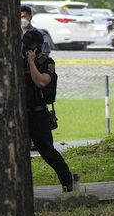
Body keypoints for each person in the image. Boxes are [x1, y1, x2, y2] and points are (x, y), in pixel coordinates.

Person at [23, 29, 76, 192]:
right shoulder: (18, 60)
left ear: (38, 47)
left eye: (30, 47)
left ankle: (67, 180)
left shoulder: (47, 62)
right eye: (25, 46)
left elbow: (41, 82)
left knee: (47, 151)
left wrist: (31, 63)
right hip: (21, 113)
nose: (27, 50)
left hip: (38, 114)